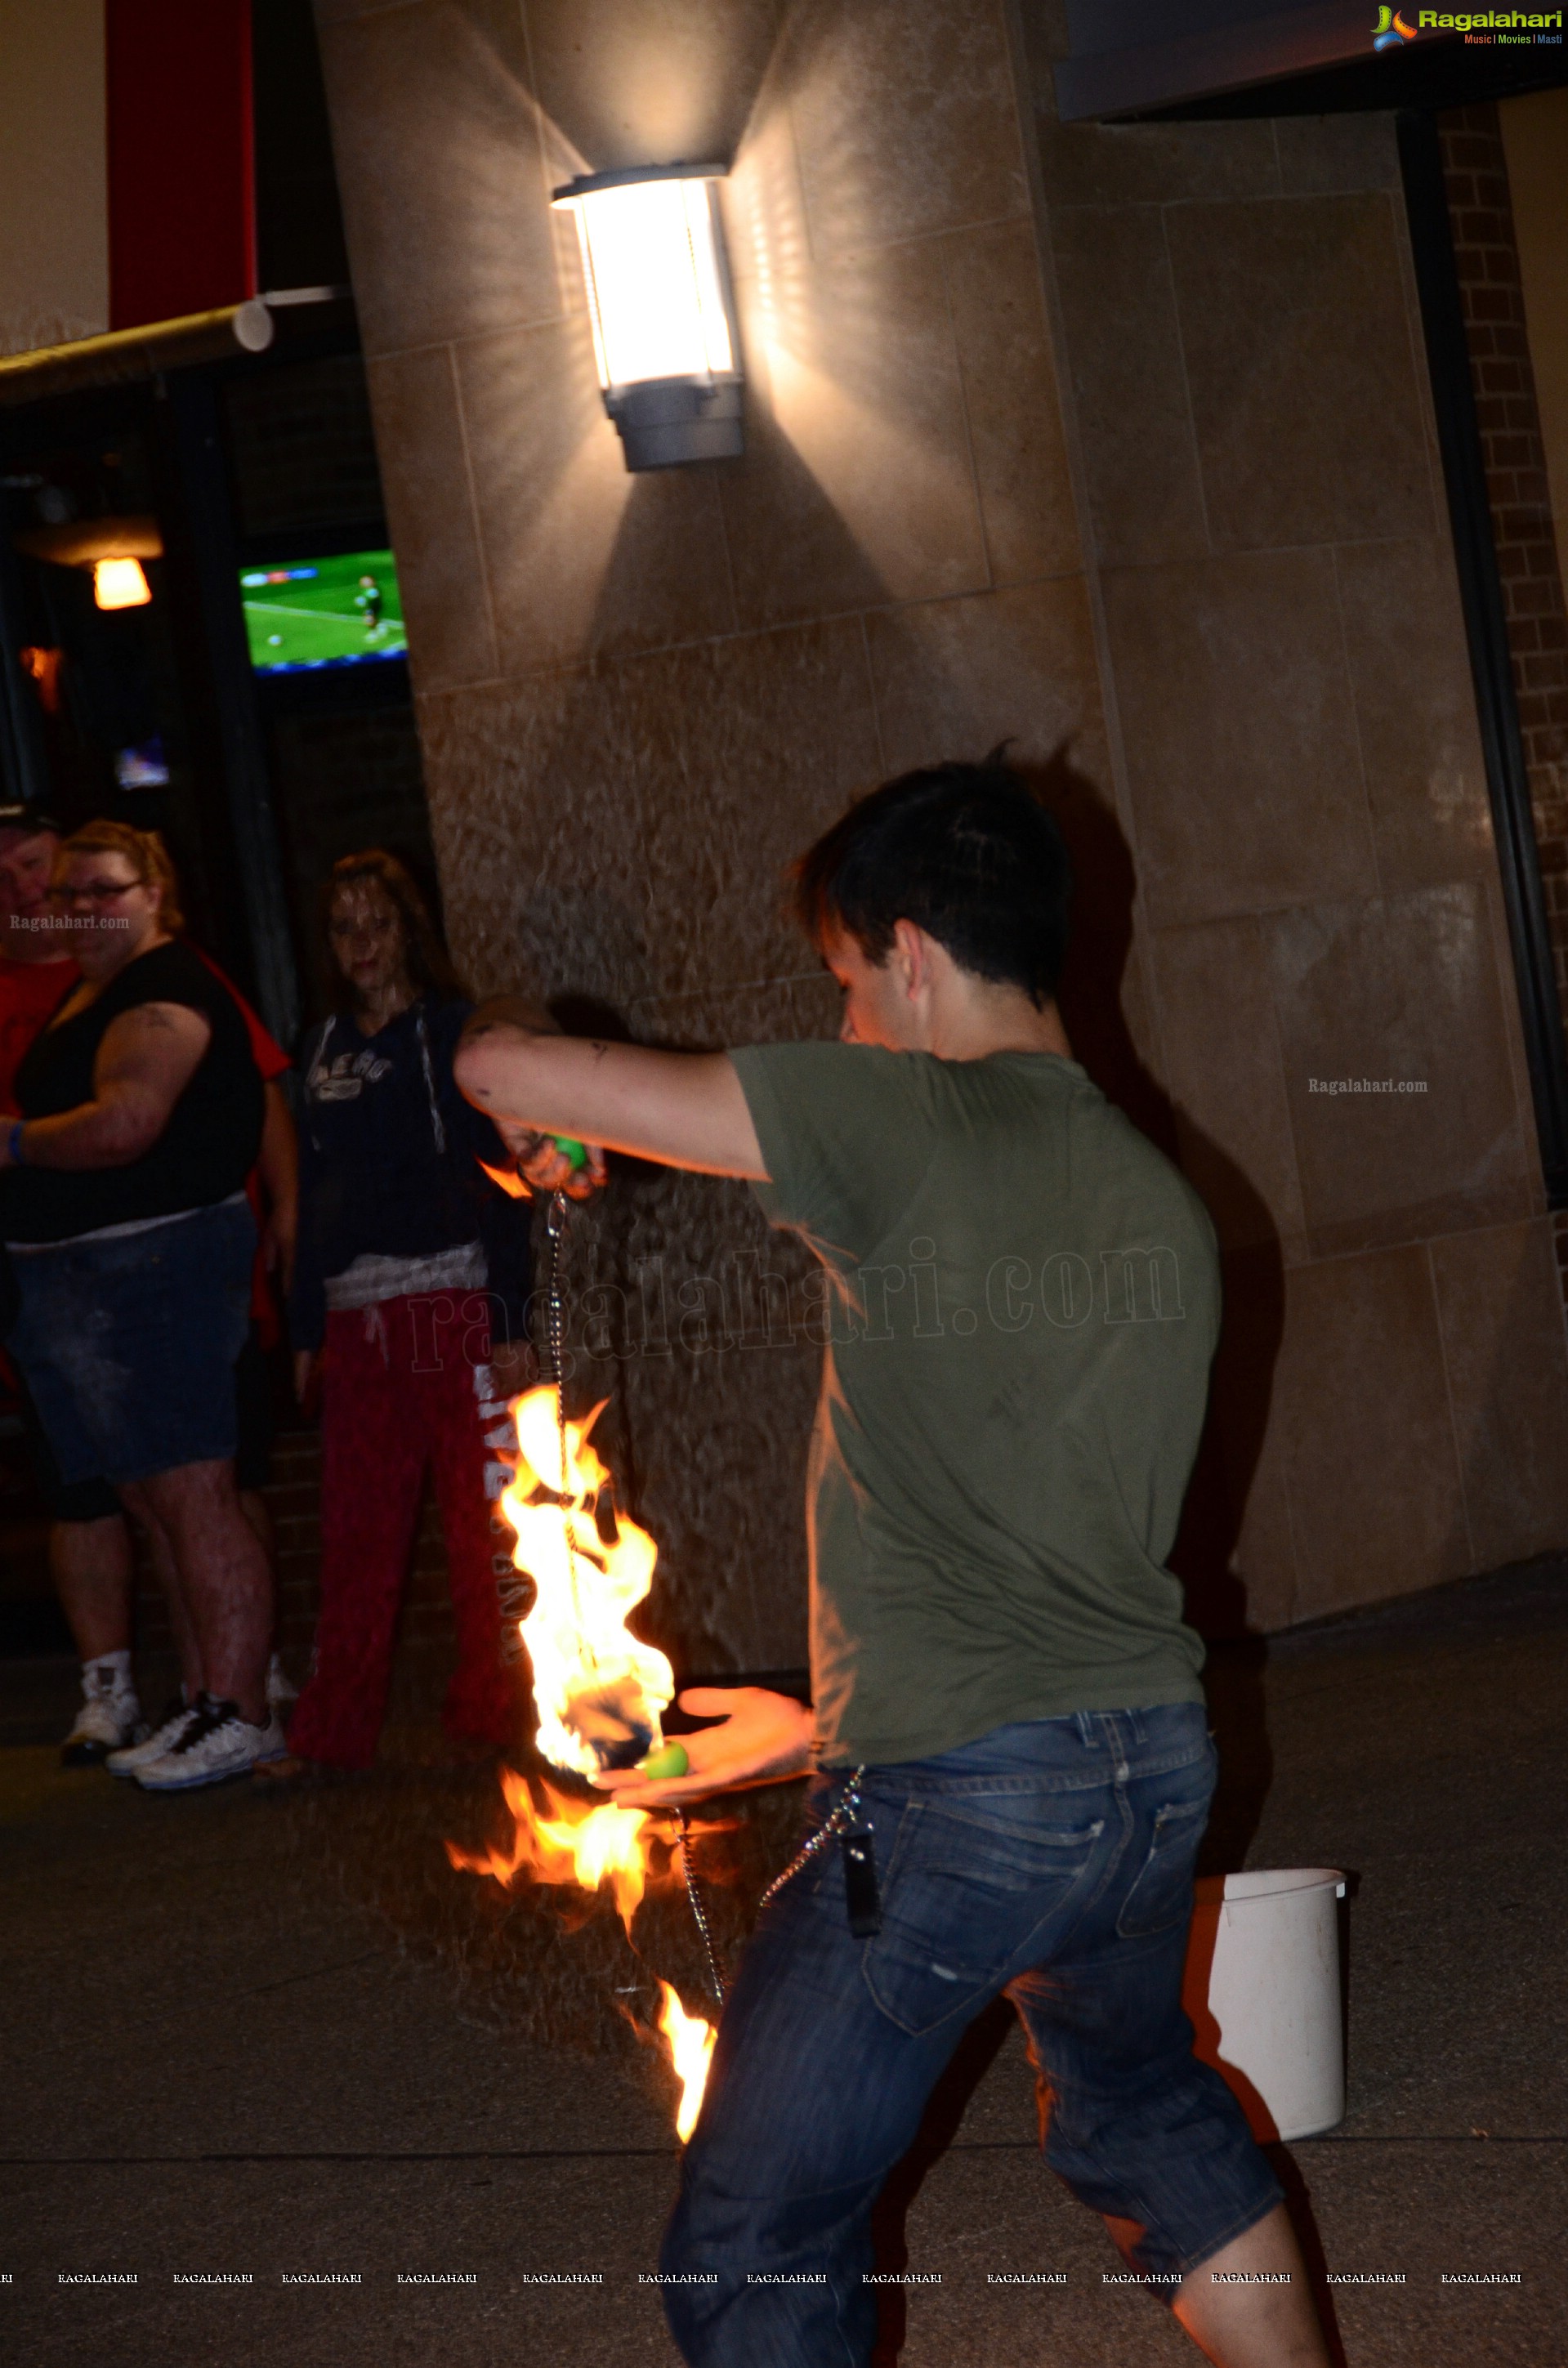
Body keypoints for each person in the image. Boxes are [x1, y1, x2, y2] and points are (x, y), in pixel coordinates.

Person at [453, 762, 1336, 2368]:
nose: (845, 1027)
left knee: (752, 2239)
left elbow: (504, 1060)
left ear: (911, 955)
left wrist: (531, 1125)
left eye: (847, 986)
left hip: (954, 1809)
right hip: (1145, 1772)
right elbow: (1015, 1514)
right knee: (1144, 2120)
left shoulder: (901, 1115)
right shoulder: (1158, 1199)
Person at [0, 807, 298, 1767]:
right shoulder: (97, 992)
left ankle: (242, 1709)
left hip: (156, 1272)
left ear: (154, 894)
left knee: (196, 1491)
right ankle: (205, 1696)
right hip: (87, 1281)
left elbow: (128, 1122)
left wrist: (9, 1143)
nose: (81, 908)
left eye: (104, 891)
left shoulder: (166, 988)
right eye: (70, 895)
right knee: (153, 1499)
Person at [259, 850, 533, 1783]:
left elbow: (503, 1188)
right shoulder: (323, 1046)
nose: (361, 943)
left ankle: (498, 1714)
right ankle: (330, 1734)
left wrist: (508, 1315)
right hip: (354, 1320)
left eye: (377, 922)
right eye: (343, 927)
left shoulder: (452, 1033)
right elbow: (305, 1203)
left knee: (482, 1526)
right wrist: (304, 1332)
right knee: (356, 1536)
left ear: (409, 929)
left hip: (449, 1305)